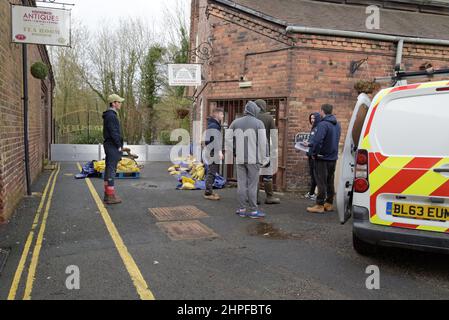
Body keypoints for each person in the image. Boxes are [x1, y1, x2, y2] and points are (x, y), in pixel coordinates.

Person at [228, 101, 268, 219]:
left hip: (240, 158)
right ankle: (254, 211)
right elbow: (263, 143)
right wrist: (265, 158)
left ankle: (241, 209)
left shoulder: (235, 122)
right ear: (254, 110)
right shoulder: (258, 123)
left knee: (241, 184)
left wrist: (234, 150)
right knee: (252, 185)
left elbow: (228, 139)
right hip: (253, 159)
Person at [307, 104, 341, 214]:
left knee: (320, 181)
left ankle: (319, 205)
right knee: (330, 181)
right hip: (333, 157)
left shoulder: (323, 124)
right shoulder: (337, 124)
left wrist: (313, 153)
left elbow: (317, 141)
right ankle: (329, 203)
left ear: (322, 111)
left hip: (322, 158)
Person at [255, 99, 280, 205]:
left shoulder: (252, 118)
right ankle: (269, 197)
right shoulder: (269, 117)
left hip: (253, 150)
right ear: (264, 106)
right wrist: (274, 149)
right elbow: (273, 135)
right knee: (267, 174)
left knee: (254, 174)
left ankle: (254, 198)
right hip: (265, 149)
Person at [103, 94, 126, 205]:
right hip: (112, 146)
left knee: (109, 169)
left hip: (109, 145)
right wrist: (119, 145)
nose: (120, 104)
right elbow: (114, 132)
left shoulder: (109, 115)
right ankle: (110, 197)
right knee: (112, 170)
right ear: (113, 103)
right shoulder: (112, 116)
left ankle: (108, 194)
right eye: (119, 102)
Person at [204, 108, 225, 201]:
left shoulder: (213, 124)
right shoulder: (214, 126)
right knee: (212, 172)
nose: (223, 116)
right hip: (213, 151)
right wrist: (219, 151)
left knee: (212, 171)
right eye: (221, 114)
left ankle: (209, 191)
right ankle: (208, 193)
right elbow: (215, 140)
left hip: (211, 151)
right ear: (217, 114)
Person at [302, 112, 321, 201]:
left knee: (315, 176)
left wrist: (313, 153)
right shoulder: (313, 128)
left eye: (314, 118)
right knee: (312, 175)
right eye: (311, 118)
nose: (312, 120)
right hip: (310, 155)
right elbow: (312, 141)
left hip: (314, 156)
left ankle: (315, 194)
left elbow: (317, 143)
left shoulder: (318, 128)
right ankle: (311, 193)